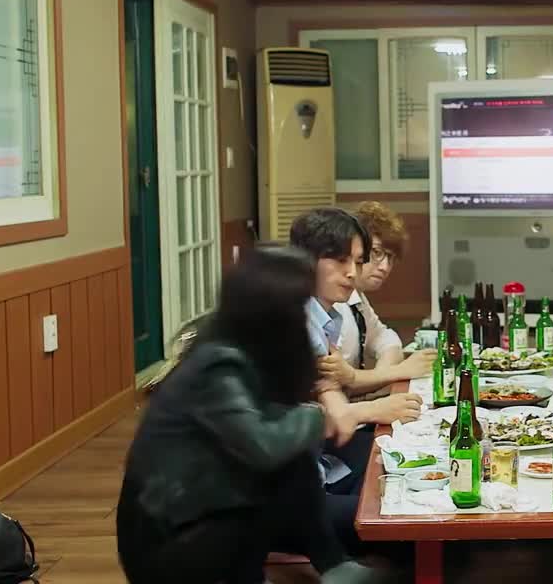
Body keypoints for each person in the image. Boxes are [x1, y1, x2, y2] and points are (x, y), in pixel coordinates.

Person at [116, 246, 381, 584]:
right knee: (280, 466)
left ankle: (332, 564)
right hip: (167, 536)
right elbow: (263, 446)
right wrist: (317, 417)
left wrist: (310, 416)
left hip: (203, 505)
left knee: (293, 461)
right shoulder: (218, 363)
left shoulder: (244, 347)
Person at [288, 208, 422, 556]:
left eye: (357, 261)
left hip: (317, 466)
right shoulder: (294, 322)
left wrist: (355, 406)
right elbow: (315, 418)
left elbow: (333, 400)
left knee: (405, 472)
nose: (352, 272)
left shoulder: (325, 318)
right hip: (284, 495)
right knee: (409, 519)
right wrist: (373, 407)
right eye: (340, 260)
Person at [319, 201, 435, 399]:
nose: (385, 267)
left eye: (390, 258)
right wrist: (397, 372)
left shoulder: (356, 298)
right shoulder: (332, 299)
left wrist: (380, 377)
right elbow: (335, 384)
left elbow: (385, 337)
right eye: (377, 253)